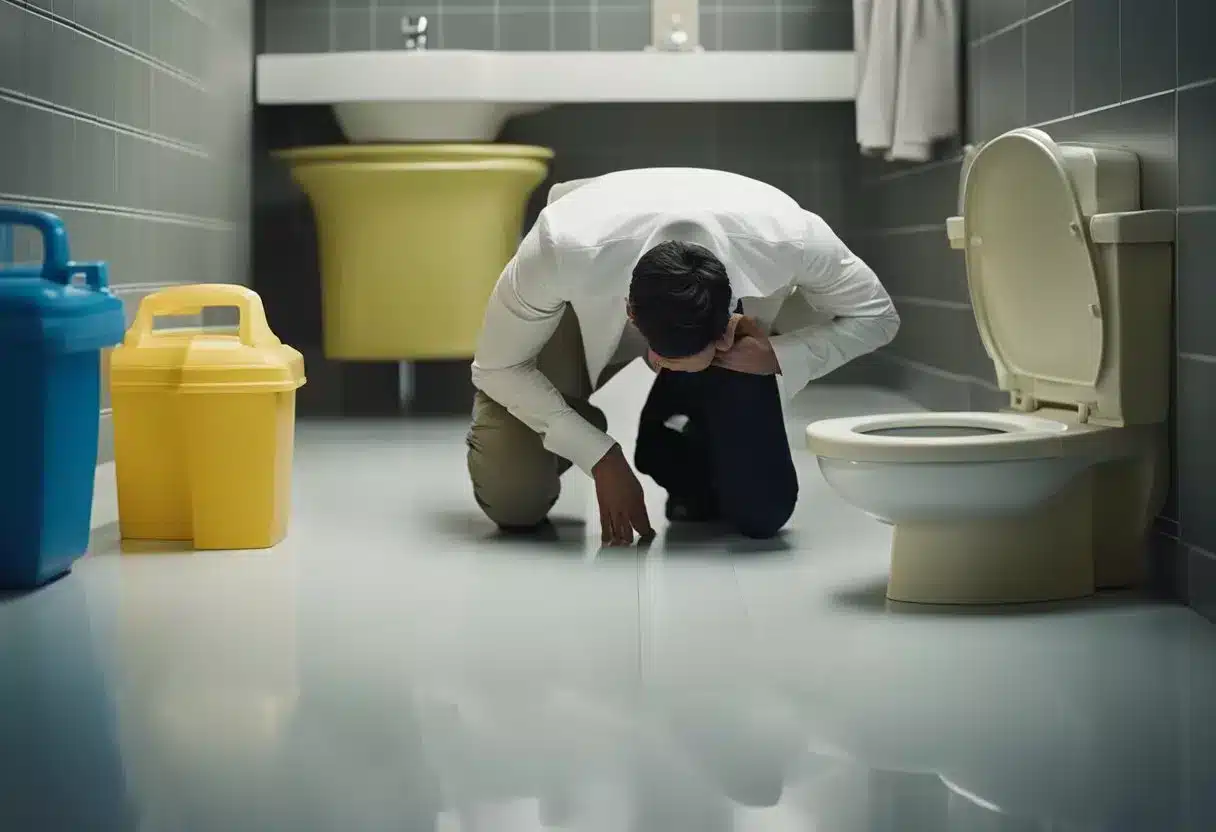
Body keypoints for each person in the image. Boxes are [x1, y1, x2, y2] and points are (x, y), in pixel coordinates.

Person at [468, 168, 900, 545]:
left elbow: (879, 315)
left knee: (762, 511)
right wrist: (598, 454)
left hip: (736, 266)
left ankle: (691, 438)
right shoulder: (559, 245)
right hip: (576, 293)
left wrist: (777, 355)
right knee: (515, 499)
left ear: (731, 318)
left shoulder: (791, 237)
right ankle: (579, 411)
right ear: (630, 313)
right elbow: (497, 367)